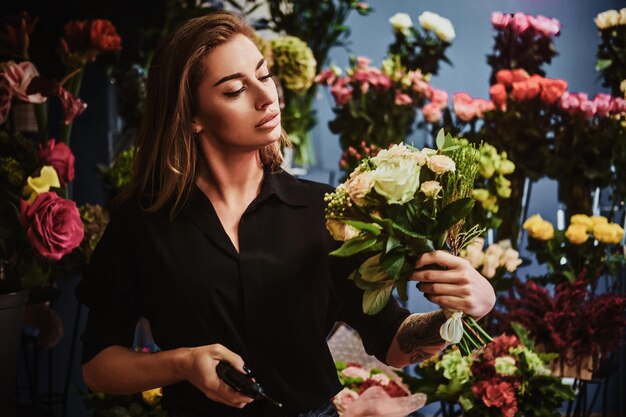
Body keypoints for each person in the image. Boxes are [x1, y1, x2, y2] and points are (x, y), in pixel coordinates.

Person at [76, 10, 496, 417]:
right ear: (192, 117)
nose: (266, 97)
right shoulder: (143, 222)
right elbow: (98, 367)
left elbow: (393, 343)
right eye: (235, 90)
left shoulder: (329, 211)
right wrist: (183, 362)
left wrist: (459, 311)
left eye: (264, 75)